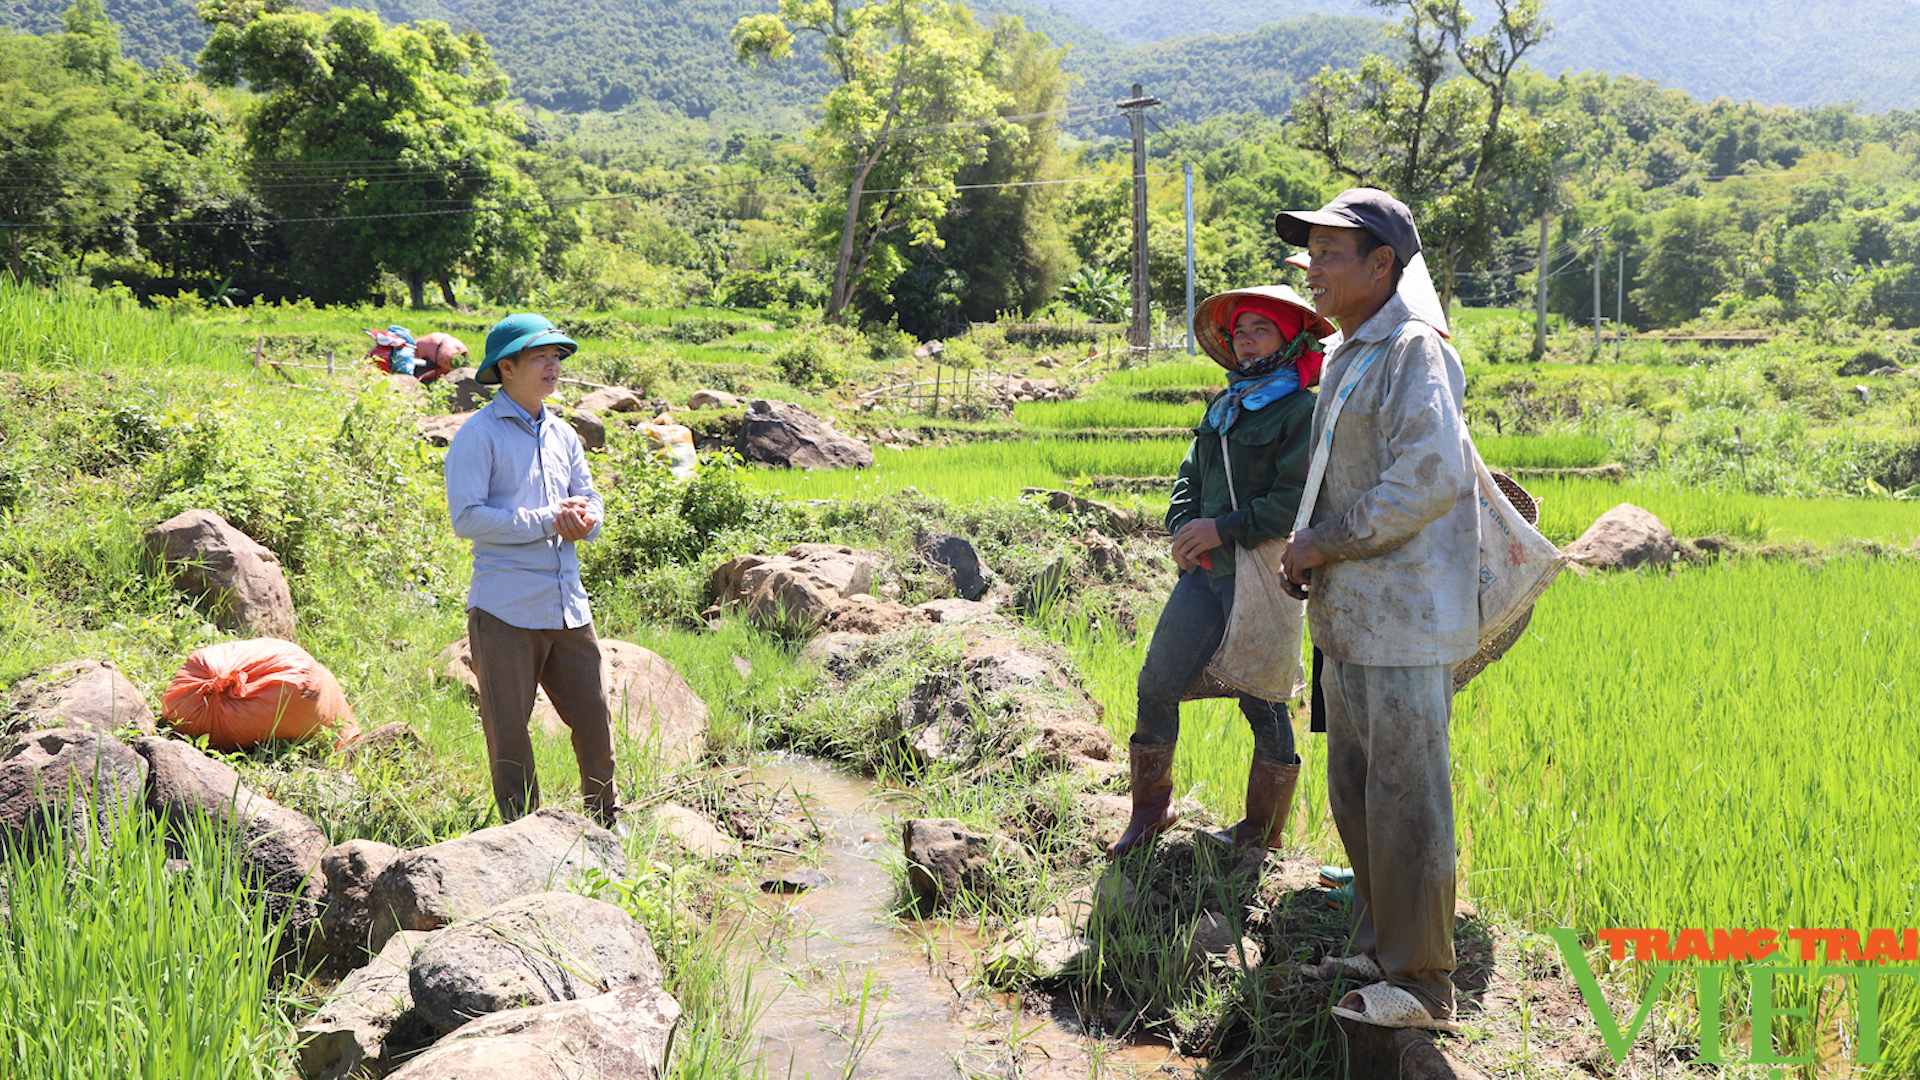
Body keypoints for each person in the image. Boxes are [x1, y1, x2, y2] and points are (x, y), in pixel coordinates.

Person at [1276, 188, 1476, 1031]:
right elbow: (1337, 472)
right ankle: (1378, 943)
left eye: (1328, 255)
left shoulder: (1411, 351)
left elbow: (1429, 476)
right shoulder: (1353, 352)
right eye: (1309, 254)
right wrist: (1306, 548)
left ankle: (1424, 984)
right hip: (1350, 615)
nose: (1311, 271)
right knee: (1358, 792)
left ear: (1381, 264)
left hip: (1402, 618)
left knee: (1408, 797)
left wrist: (1326, 542)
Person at [1108, 284, 1335, 861]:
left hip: (1258, 574)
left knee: (1262, 699)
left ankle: (1262, 833)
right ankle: (1150, 813)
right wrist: (1183, 526)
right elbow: (1191, 473)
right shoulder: (1226, 405)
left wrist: (1222, 528)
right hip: (1205, 577)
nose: (1247, 341)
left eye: (1260, 329)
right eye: (1239, 332)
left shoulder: (1301, 411)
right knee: (1157, 682)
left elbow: (1291, 501)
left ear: (1288, 339)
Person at [443, 313, 619, 829]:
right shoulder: (478, 436)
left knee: (593, 717)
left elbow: (589, 496)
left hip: (567, 604)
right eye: (541, 357)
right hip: (505, 607)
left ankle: (605, 819)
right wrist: (548, 519)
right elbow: (467, 517)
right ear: (508, 367)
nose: (553, 365)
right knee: (509, 731)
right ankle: (523, 832)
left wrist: (587, 519)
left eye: (557, 357)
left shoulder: (563, 434)